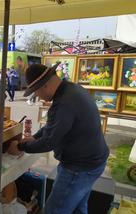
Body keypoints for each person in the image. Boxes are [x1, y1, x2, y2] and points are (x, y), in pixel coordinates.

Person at [8, 63, 109, 214]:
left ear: (45, 85)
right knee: (78, 208)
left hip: (79, 167)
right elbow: (53, 126)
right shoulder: (72, 89)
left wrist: (20, 147)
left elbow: (49, 142)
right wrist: (34, 137)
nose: (37, 96)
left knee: (55, 210)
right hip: (93, 161)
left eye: (36, 92)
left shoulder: (63, 102)